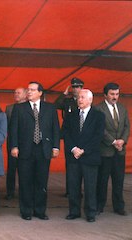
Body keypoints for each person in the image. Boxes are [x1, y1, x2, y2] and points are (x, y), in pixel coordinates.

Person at [10, 82, 60, 221]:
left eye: (32, 90)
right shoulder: (19, 108)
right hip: (25, 149)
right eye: (28, 90)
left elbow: (55, 128)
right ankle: (26, 210)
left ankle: (40, 210)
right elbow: (13, 129)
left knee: (41, 182)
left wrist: (56, 147)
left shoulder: (50, 108)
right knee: (25, 181)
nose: (29, 92)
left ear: (40, 93)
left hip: (43, 149)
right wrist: (14, 146)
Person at [63, 89, 105, 222]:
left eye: (82, 97)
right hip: (73, 157)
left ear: (90, 100)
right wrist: (74, 149)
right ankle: (74, 211)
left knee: (90, 187)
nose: (79, 100)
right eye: (78, 97)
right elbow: (66, 133)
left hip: (90, 156)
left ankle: (90, 212)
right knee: (74, 186)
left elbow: (98, 136)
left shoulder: (98, 116)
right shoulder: (70, 115)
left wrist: (84, 150)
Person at [96, 83, 130, 216]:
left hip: (119, 151)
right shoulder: (98, 109)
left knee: (119, 180)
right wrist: (114, 141)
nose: (115, 97)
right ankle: (99, 205)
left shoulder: (122, 108)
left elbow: (127, 126)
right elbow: (100, 129)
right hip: (105, 151)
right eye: (112, 94)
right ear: (105, 95)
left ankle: (119, 206)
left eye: (116, 94)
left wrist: (122, 140)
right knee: (102, 180)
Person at [54, 77, 84, 197]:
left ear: (82, 88)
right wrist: (64, 94)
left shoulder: (86, 100)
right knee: (70, 165)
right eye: (73, 87)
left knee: (83, 164)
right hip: (69, 135)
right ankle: (70, 190)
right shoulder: (68, 101)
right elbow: (55, 105)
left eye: (77, 87)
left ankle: (80, 190)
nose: (75, 89)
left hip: (82, 135)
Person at [5, 87, 27, 200]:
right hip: (12, 142)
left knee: (25, 169)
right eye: (15, 93)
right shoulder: (9, 108)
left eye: (19, 92)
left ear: (25, 94)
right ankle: (10, 192)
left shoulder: (30, 107)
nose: (16, 94)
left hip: (27, 144)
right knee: (11, 169)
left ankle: (24, 192)